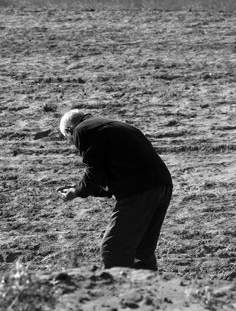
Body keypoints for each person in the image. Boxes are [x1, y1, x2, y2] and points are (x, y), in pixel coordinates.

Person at [57, 109, 173, 271]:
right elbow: (107, 180)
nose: (72, 143)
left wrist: (77, 192)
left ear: (69, 130)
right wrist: (78, 188)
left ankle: (118, 293)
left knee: (113, 249)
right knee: (141, 252)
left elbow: (95, 169)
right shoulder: (111, 127)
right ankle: (150, 292)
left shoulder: (82, 130)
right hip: (162, 186)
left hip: (140, 190)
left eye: (68, 138)